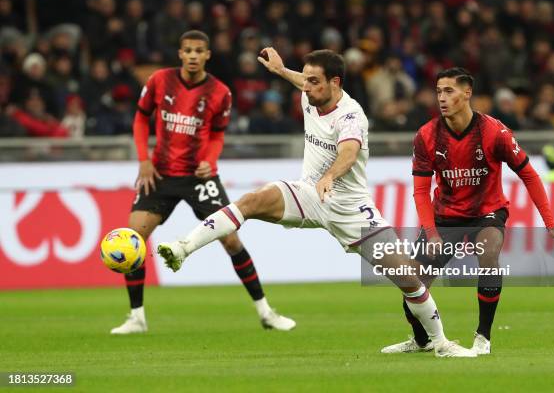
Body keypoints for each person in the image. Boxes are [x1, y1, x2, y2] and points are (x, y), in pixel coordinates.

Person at [156, 48, 476, 358]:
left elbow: (348, 153)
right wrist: (281, 71)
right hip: (308, 195)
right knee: (252, 200)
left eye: (313, 81)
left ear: (335, 83)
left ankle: (438, 342)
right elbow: (301, 81)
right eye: (305, 80)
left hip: (350, 208)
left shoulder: (351, 117)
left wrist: (331, 176)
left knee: (409, 279)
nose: (305, 87)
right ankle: (184, 248)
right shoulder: (311, 95)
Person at [111, 30, 295, 334]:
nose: (194, 55)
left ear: (207, 55)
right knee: (132, 240)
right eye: (188, 50)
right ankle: (136, 318)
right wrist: (143, 160)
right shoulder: (159, 81)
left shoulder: (220, 92)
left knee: (231, 239)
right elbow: (141, 119)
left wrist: (211, 160)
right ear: (180, 54)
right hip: (159, 174)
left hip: (199, 177)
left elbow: (218, 133)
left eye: (199, 51)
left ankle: (266, 312)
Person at [381, 67, 554, 356]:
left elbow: (530, 176)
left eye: (449, 91)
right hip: (446, 216)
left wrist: (550, 223)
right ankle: (421, 341)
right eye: (438, 92)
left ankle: (483, 338)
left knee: (489, 254)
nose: (442, 98)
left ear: (467, 93)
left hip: (488, 211)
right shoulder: (426, 136)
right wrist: (431, 232)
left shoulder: (495, 132)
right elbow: (421, 191)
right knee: (413, 281)